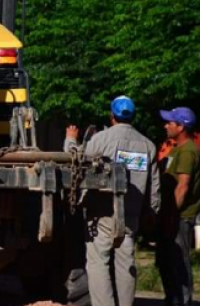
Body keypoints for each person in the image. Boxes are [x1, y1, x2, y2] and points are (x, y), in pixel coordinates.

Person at [65, 96, 159, 306]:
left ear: (112, 116)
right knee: (126, 264)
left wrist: (71, 139)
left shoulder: (101, 140)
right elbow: (154, 189)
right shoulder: (148, 146)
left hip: (102, 215)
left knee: (98, 263)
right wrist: (151, 213)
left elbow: (74, 162)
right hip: (130, 216)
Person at [156, 107, 199, 306]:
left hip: (180, 217)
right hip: (171, 215)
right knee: (166, 261)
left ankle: (181, 302)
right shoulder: (178, 149)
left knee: (178, 262)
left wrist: (172, 216)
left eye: (169, 122)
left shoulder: (188, 151)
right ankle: (172, 299)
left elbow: (182, 186)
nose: (165, 126)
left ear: (181, 126)